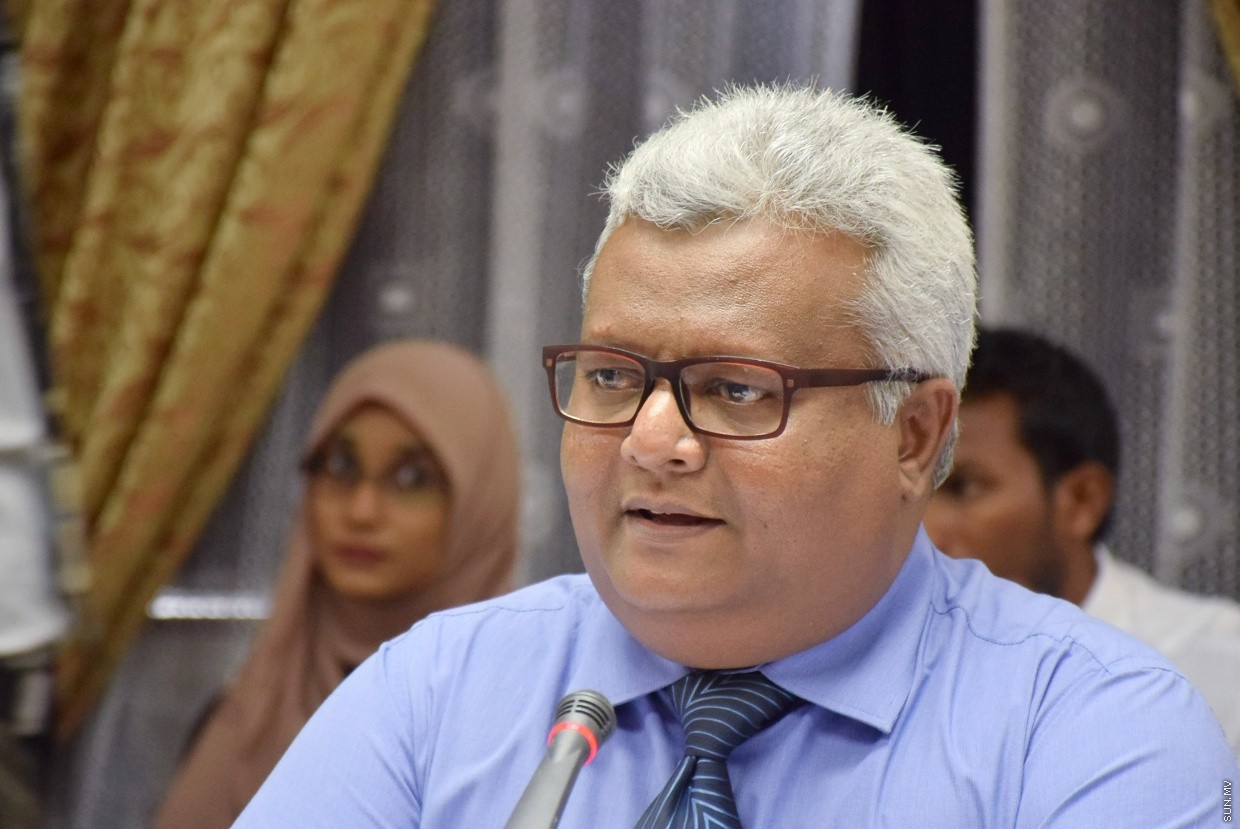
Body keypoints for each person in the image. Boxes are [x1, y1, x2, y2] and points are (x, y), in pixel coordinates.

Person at [236, 86, 1237, 827]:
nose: (651, 440)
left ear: (916, 434)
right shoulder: (436, 691)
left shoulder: (1094, 729)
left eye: (736, 389)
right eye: (612, 376)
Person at [153, 340, 519, 828]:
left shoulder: (529, 738)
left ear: (480, 507)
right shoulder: (245, 722)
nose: (361, 511)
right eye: (341, 467)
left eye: (412, 478)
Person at [924, 326, 1240, 755]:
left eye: (964, 488)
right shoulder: (893, 662)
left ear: (1081, 501)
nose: (922, 530)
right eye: (910, 490)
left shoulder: (1216, 672)